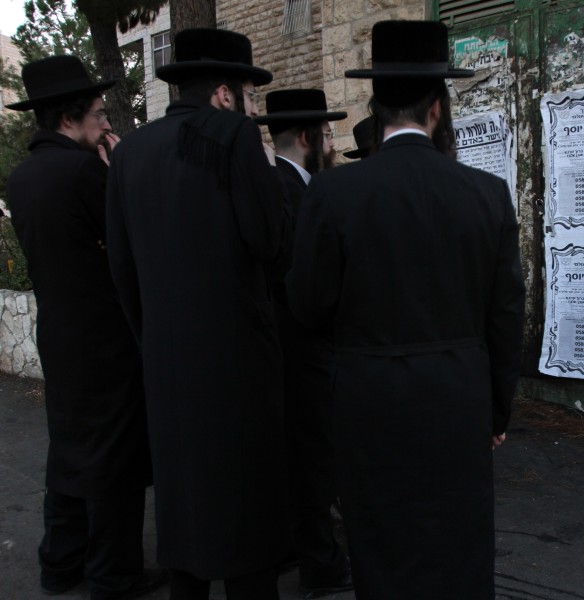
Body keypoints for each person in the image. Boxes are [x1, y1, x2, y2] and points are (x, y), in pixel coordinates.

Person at [285, 20, 526, 600]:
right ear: (437, 109)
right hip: (458, 397)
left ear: (377, 105)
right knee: (457, 544)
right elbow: (506, 314)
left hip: (370, 401)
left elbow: (307, 305)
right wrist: (496, 409)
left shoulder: (332, 193)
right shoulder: (486, 193)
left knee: (383, 542)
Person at [105, 28, 291, 599]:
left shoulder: (130, 151)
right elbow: (274, 243)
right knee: (246, 521)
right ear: (224, 93)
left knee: (184, 511)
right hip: (237, 366)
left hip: (167, 366)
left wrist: (154, 341)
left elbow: (123, 269)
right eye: (247, 92)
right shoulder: (234, 137)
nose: (250, 104)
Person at [6, 55, 165, 600]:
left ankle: (61, 561)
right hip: (104, 337)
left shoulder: (22, 176)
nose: (106, 124)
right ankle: (113, 573)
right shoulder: (83, 171)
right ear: (71, 117)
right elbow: (133, 234)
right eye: (99, 114)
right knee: (113, 459)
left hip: (59, 332)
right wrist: (118, 170)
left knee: (69, 449)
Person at [255, 89, 353, 599]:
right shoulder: (289, 190)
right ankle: (320, 564)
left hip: (294, 346)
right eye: (329, 134)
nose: (333, 143)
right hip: (302, 346)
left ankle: (302, 549)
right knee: (312, 462)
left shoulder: (291, 184)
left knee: (303, 459)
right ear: (309, 136)